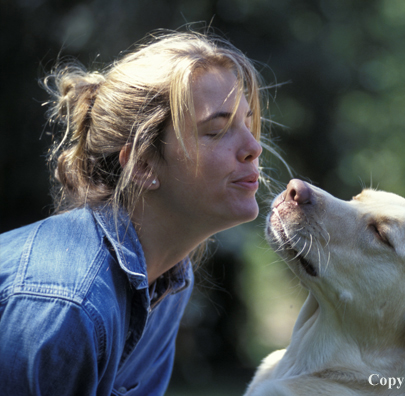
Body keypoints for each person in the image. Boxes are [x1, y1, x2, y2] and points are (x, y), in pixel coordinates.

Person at [0, 30, 269, 395]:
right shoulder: (69, 305)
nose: (253, 146)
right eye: (217, 131)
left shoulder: (170, 281)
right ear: (142, 164)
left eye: (247, 122)